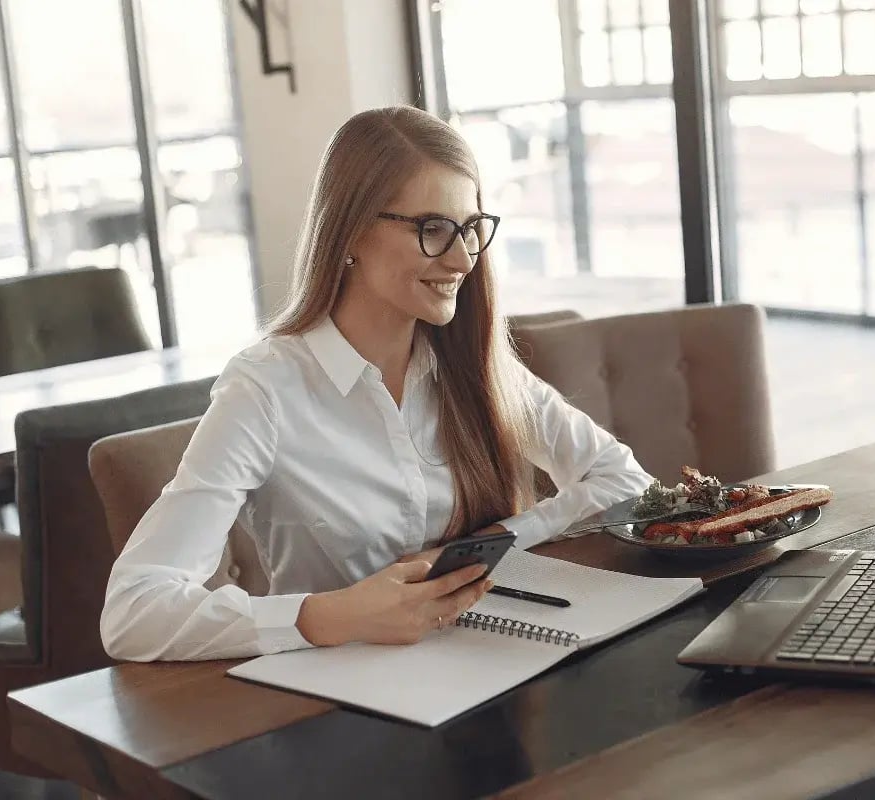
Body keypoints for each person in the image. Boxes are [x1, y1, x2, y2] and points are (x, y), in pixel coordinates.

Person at [100, 107, 652, 662]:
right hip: (338, 696)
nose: (462, 259)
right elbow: (134, 611)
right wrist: (334, 614)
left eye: (469, 229)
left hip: (484, 664)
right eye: (432, 229)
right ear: (352, 231)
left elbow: (624, 481)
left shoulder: (472, 362)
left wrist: (488, 544)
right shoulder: (264, 390)